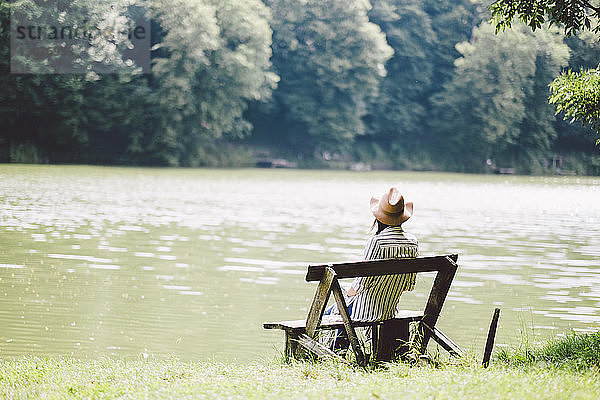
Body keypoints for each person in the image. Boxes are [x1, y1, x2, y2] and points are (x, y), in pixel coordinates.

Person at [325, 186, 419, 351]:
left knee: (333, 310)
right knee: (342, 308)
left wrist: (348, 293)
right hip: (390, 310)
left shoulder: (376, 242)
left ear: (380, 217)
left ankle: (336, 354)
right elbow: (408, 286)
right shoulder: (412, 242)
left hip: (366, 311)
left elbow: (362, 281)